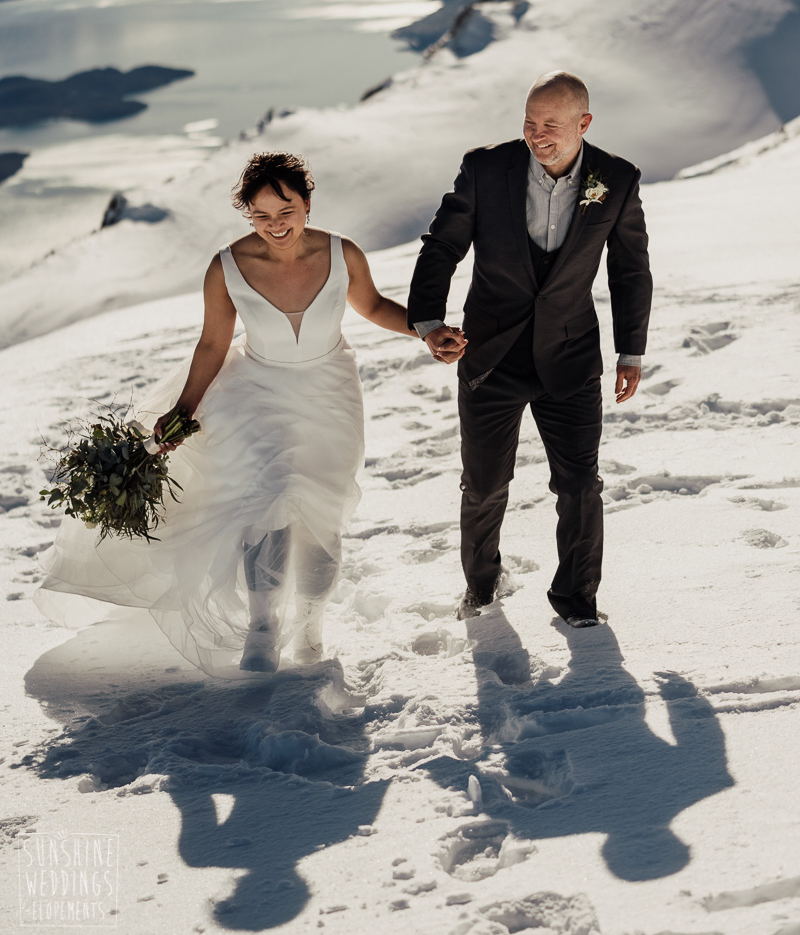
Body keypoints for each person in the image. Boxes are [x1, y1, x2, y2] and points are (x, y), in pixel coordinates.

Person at [35, 152, 417, 677]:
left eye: (286, 211)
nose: (275, 225)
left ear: (307, 203)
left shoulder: (342, 252)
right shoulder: (227, 267)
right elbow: (213, 344)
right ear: (248, 216)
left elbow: (372, 305)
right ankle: (263, 628)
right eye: (261, 216)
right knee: (270, 502)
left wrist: (426, 331)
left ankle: (310, 625)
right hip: (257, 391)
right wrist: (183, 410)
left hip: (332, 392)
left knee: (323, 517)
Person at [407, 71, 652, 626]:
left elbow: (630, 269)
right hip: (490, 356)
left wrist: (630, 351)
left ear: (584, 123)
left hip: (570, 356)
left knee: (580, 484)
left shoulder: (616, 178)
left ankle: (577, 600)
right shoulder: (485, 168)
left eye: (551, 124)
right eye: (529, 122)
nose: (536, 135)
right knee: (484, 485)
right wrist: (428, 322)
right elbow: (442, 245)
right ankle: (481, 587)